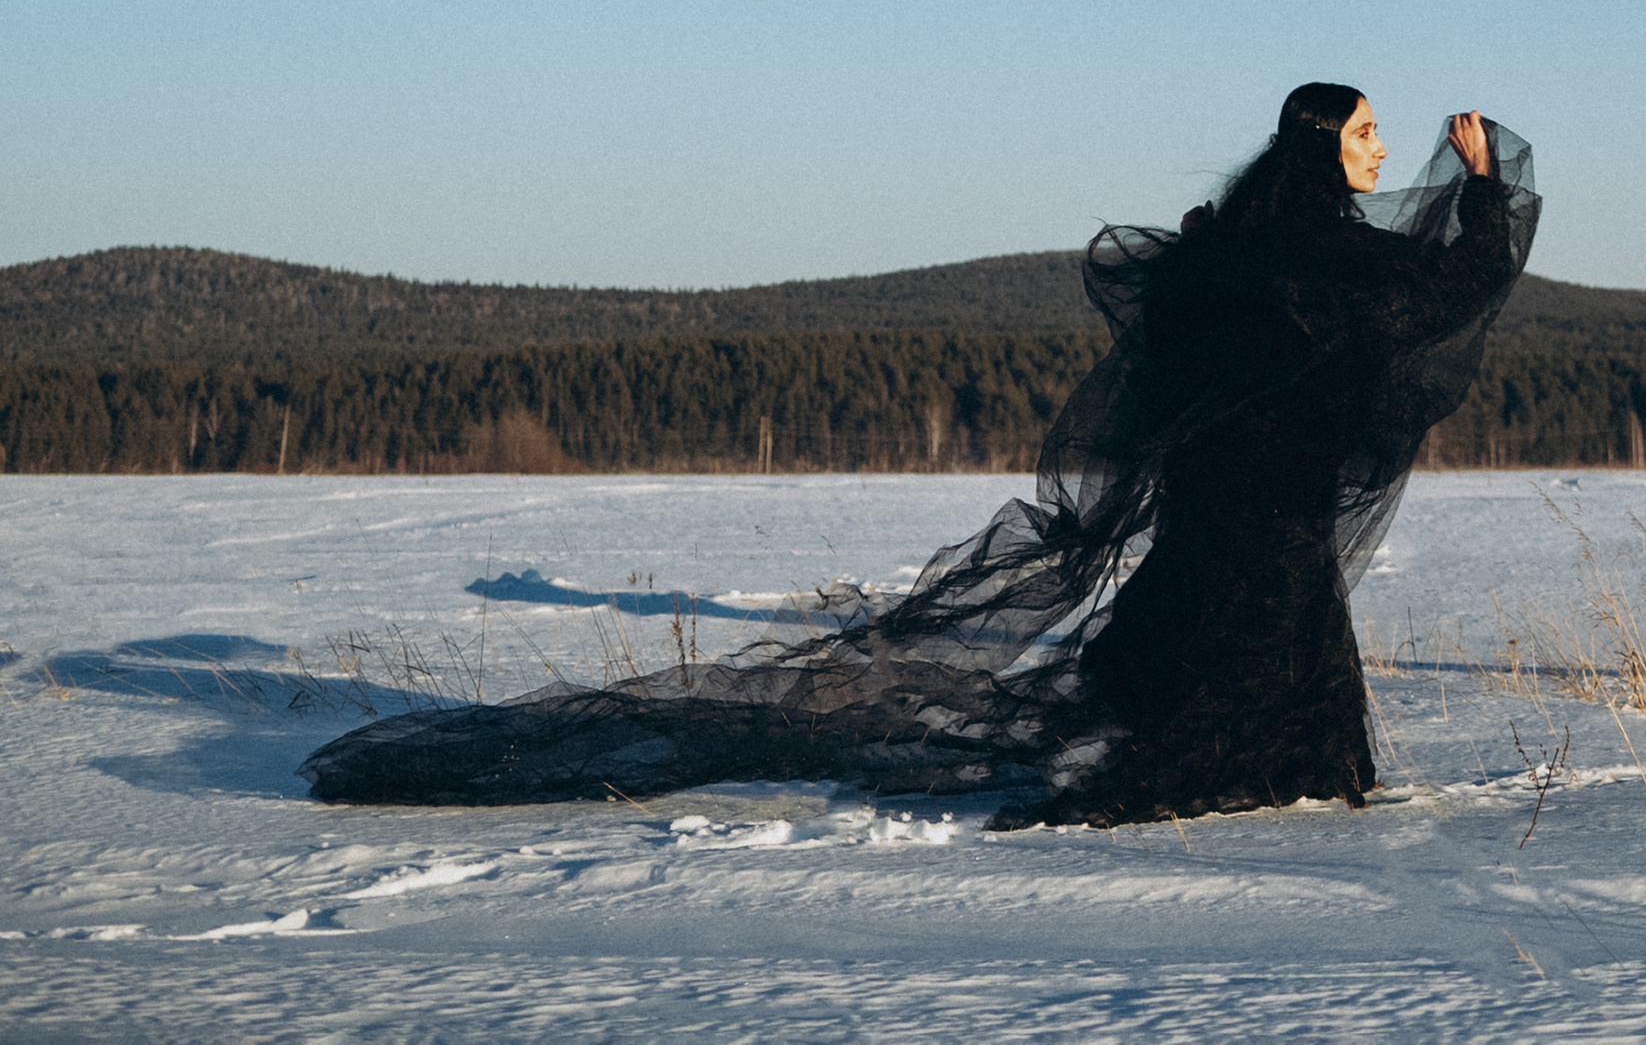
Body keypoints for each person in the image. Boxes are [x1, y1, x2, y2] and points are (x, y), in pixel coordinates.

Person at [301, 86, 1538, 824]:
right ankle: (1239, 782)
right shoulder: (1323, 253)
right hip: (1263, 505)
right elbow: (1450, 292)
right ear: (1322, 144)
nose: (1379, 154)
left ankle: (1247, 766)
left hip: (1219, 497)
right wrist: (1486, 187)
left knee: (1200, 638)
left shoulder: (1234, 248)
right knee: (1263, 656)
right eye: (1365, 135)